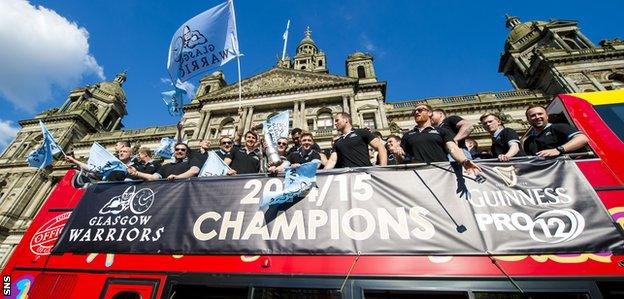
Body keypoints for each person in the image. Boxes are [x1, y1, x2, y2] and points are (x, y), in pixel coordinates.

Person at [390, 104, 481, 175]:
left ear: (430, 113)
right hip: (418, 173)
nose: (417, 112)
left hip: (441, 172)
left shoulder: (441, 131)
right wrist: (398, 155)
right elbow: (402, 160)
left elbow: (452, 148)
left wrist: (464, 161)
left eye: (420, 110)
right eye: (414, 111)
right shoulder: (407, 135)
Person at [523, 105, 589, 157]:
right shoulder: (527, 142)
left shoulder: (559, 127)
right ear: (528, 120)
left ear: (547, 116)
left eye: (540, 114)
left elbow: (582, 139)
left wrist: (558, 150)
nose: (537, 117)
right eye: (533, 116)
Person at [129, 143, 200, 181]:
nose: (179, 151)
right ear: (174, 152)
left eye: (183, 150)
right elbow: (154, 177)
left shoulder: (192, 160)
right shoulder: (166, 166)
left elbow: (194, 171)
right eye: (177, 149)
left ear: (187, 153)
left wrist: (177, 177)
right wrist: (136, 173)